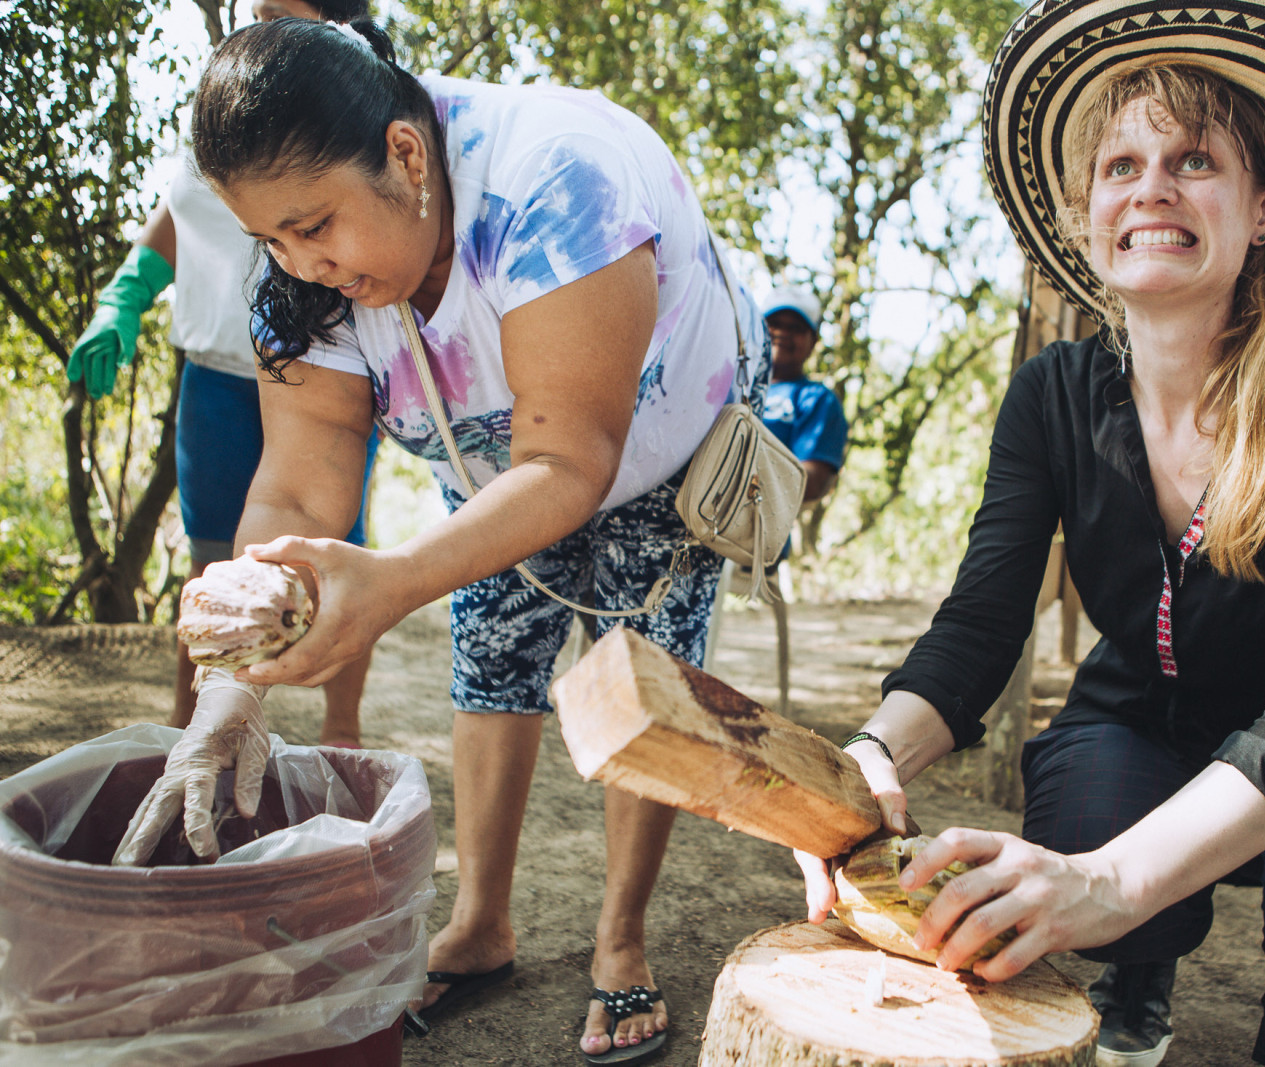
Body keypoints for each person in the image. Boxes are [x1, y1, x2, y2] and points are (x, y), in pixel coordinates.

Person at [797, 3, 1265, 1067]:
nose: (1150, 184)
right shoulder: (1052, 393)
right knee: (1085, 833)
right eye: (1121, 164)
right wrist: (872, 752)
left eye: (1194, 159)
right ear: (1085, 216)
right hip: (1140, 712)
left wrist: (1108, 880)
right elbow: (981, 621)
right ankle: (1136, 963)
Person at [113, 17, 767, 1065]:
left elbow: (570, 460)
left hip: (651, 441)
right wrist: (236, 689)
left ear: (406, 157)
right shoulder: (303, 272)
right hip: (500, 459)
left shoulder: (558, 180)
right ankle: (480, 923)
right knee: (491, 654)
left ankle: (621, 938)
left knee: (642, 675)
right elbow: (296, 481)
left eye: (316, 225)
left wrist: (394, 579)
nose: (304, 264)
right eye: (272, 238)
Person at [65, 0, 380, 749]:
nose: (257, 23)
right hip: (215, 376)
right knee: (213, 558)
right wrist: (124, 296)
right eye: (254, 10)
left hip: (322, 380)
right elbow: (181, 206)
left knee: (334, 555)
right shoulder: (226, 101)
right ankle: (194, 724)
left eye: (278, 12)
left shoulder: (350, 109)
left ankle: (342, 730)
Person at [760, 287, 847, 504]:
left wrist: (737, 479)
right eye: (775, 324)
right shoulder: (728, 383)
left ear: (813, 342)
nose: (783, 333)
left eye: (796, 328)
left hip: (754, 532)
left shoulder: (816, 399)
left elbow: (813, 482)